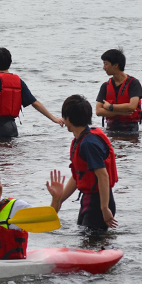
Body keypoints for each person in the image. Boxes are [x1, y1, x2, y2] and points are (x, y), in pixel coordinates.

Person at [47, 95, 119, 231]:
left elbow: (103, 175)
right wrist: (59, 199)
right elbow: (78, 176)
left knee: (92, 246)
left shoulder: (88, 144)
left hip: (98, 203)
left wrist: (104, 208)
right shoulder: (80, 140)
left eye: (64, 118)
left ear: (68, 118)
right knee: (86, 241)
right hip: (89, 201)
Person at [0, 47, 63, 139]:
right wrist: (54, 118)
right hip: (13, 128)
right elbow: (35, 103)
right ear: (10, 62)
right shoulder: (18, 81)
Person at [95, 48, 142, 133]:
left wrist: (110, 107)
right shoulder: (105, 86)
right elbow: (98, 111)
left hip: (131, 128)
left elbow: (132, 106)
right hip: (110, 128)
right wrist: (121, 112)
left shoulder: (133, 83)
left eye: (106, 64)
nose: (104, 67)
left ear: (115, 65)